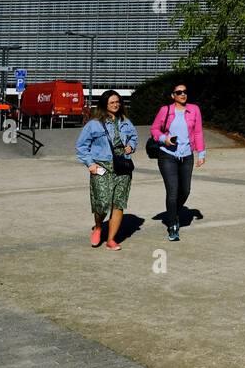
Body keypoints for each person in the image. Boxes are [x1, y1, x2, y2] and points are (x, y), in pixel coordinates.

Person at [75, 89, 139, 251]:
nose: (116, 105)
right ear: (104, 104)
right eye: (112, 102)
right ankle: (98, 227)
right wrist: (90, 164)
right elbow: (82, 146)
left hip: (123, 166)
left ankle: (111, 239)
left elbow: (134, 137)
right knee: (102, 203)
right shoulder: (94, 124)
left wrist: (131, 146)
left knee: (118, 203)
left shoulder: (125, 121)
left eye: (118, 102)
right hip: (102, 166)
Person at [149, 82, 206, 241]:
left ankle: (172, 212)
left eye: (185, 92)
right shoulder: (165, 110)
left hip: (187, 155)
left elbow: (198, 131)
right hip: (167, 155)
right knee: (173, 192)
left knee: (185, 190)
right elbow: (154, 129)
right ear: (172, 95)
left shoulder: (194, 109)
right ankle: (173, 224)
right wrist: (163, 139)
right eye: (179, 92)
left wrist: (201, 153)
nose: (183, 94)